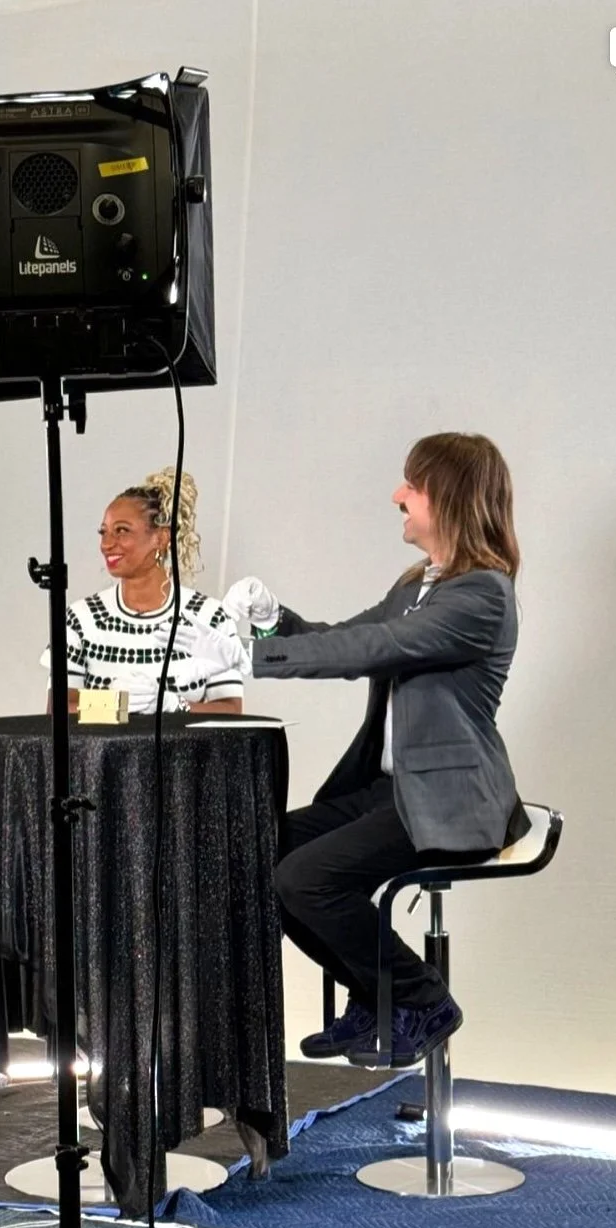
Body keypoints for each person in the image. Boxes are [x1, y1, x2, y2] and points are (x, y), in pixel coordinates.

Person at [169, 432, 528, 1066]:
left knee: (304, 879)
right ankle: (376, 996)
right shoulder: (418, 585)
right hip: (390, 792)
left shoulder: (482, 595)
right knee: (256, 857)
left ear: (448, 495)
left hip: (448, 801)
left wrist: (246, 657)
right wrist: (273, 620)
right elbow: (345, 636)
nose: (397, 496)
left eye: (412, 485)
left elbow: (372, 650)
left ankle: (420, 998)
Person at [43, 468, 244, 714]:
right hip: (103, 743)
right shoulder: (79, 619)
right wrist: (116, 706)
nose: (107, 544)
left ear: (161, 538)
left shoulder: (210, 617)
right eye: (104, 532)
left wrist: (172, 706)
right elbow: (58, 710)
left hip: (180, 743)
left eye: (122, 530)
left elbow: (231, 710)